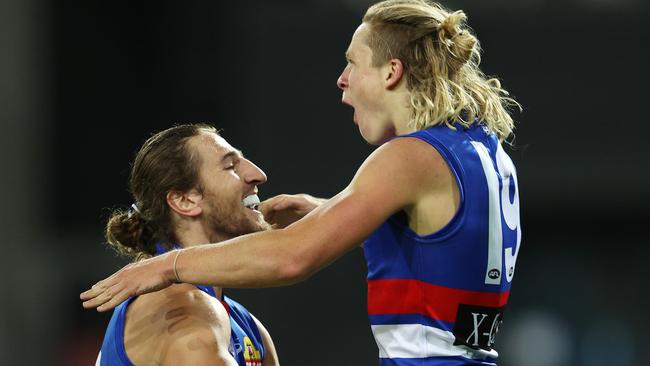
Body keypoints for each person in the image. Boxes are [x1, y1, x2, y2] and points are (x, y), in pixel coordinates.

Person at [82, 1, 522, 364]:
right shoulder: (484, 151)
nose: (342, 79)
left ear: (391, 72)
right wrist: (326, 210)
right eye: (230, 165)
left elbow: (292, 258)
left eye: (352, 62)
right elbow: (439, 241)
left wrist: (165, 266)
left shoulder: (409, 156)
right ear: (182, 200)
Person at [94, 124, 280, 366]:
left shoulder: (246, 325)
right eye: (231, 166)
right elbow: (293, 261)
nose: (258, 174)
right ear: (184, 200)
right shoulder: (185, 311)